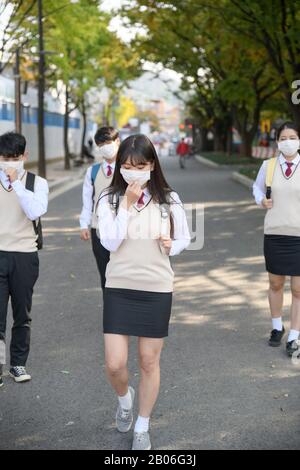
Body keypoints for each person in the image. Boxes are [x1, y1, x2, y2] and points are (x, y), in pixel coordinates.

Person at [97, 134, 190, 450]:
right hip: (120, 286)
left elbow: (184, 239)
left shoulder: (169, 198)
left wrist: (171, 245)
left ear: (152, 165)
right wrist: (124, 205)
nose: (132, 171)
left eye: (140, 165)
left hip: (156, 287)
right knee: (115, 363)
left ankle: (142, 425)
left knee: (149, 362)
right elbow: (109, 242)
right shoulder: (108, 199)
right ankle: (125, 400)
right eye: (126, 166)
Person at [0, 132, 48, 386]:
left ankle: (17, 364)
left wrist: (16, 183)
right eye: (5, 158)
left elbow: (34, 210)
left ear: (24, 157)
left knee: (21, 314)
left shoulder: (37, 183)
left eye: (14, 158)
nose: (9, 163)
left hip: (25, 256)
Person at [253, 121, 300, 359]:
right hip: (274, 233)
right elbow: (257, 189)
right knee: (275, 283)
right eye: (283, 138)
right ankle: (276, 326)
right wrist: (262, 200)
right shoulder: (269, 166)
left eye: (292, 137)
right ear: (278, 142)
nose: (288, 141)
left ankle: (294, 335)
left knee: (299, 289)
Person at [80, 127, 120, 295]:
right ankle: (111, 317)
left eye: (108, 142)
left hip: (126, 229)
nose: (105, 147)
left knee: (124, 275)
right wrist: (84, 224)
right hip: (99, 230)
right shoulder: (93, 171)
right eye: (101, 144)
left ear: (117, 141)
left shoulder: (128, 168)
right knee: (106, 277)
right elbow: (87, 201)